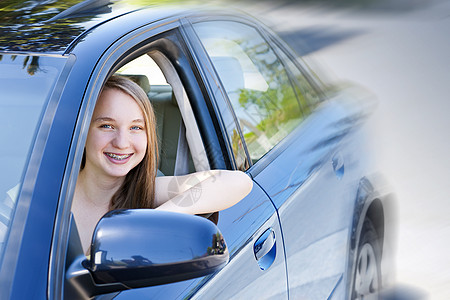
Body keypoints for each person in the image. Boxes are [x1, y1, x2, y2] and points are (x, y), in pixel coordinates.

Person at [71, 75, 253, 254]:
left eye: (136, 128)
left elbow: (238, 181)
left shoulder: (147, 191)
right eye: (107, 126)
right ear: (83, 130)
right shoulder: (51, 193)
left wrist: (153, 221)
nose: (122, 143)